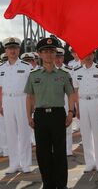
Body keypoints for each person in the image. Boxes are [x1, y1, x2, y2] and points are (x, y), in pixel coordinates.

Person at [25, 37, 75, 189]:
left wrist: (71, 112)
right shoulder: (34, 75)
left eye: (52, 51)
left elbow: (71, 94)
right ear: (39, 54)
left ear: (56, 54)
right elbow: (30, 97)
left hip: (58, 114)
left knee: (60, 152)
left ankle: (61, 184)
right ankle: (48, 184)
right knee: (43, 153)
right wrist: (29, 116)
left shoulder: (64, 74)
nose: (49, 54)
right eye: (45, 51)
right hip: (40, 116)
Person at [72, 53, 98, 172]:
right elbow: (75, 91)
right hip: (83, 103)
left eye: (90, 54)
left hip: (96, 101)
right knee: (85, 134)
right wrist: (77, 108)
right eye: (85, 54)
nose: (87, 56)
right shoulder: (76, 71)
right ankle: (89, 162)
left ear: (93, 55)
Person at [0, 37, 33, 173]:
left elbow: (31, 89)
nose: (12, 51)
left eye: (15, 48)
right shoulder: (1, 68)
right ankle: (14, 164)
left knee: (24, 132)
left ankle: (25, 164)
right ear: (6, 51)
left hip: (22, 100)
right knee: (11, 133)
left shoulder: (27, 66)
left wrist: (32, 106)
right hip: (7, 101)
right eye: (9, 48)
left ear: (19, 50)